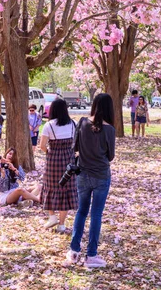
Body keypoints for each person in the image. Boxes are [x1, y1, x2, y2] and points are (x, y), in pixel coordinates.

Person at [66, 93, 116, 268]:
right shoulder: (109, 129)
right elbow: (111, 156)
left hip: (83, 174)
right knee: (96, 214)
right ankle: (92, 255)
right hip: (101, 175)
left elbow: (75, 147)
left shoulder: (82, 122)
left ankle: (74, 250)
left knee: (81, 212)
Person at [40, 99, 78, 233]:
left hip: (53, 161)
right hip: (69, 160)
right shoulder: (74, 124)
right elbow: (77, 143)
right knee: (66, 189)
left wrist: (51, 152)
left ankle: (52, 216)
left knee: (50, 187)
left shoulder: (49, 125)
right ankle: (62, 224)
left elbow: (42, 146)